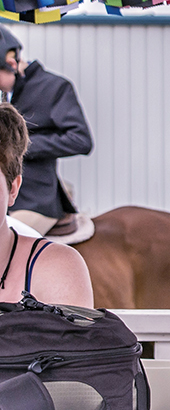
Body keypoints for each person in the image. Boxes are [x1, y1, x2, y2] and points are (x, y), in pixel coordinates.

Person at [0, 26, 93, 235]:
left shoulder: (54, 88)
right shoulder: (7, 93)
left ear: (12, 64)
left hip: (34, 200)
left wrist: (19, 147)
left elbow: (81, 139)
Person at [0, 102, 93, 306]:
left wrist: (34, 144)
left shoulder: (52, 87)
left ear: (12, 188)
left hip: (41, 199)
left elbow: (81, 140)